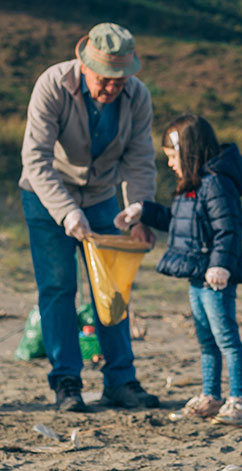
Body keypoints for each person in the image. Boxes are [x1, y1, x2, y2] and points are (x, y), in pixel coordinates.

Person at [20, 22, 159, 412]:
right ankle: (67, 382)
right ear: (84, 65)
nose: (112, 87)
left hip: (101, 198)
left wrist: (138, 212)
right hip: (46, 196)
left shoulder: (137, 96)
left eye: (120, 80)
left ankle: (121, 380)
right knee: (59, 289)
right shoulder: (52, 83)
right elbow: (35, 158)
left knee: (112, 290)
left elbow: (140, 160)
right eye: (105, 79)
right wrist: (66, 211)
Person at [116, 114, 242, 425]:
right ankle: (210, 395)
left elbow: (228, 230)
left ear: (189, 152)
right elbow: (178, 224)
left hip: (215, 279)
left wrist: (220, 265)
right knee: (206, 339)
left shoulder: (217, 184)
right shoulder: (190, 187)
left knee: (226, 338)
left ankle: (239, 399)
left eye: (172, 156)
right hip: (196, 278)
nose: (169, 164)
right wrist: (143, 211)